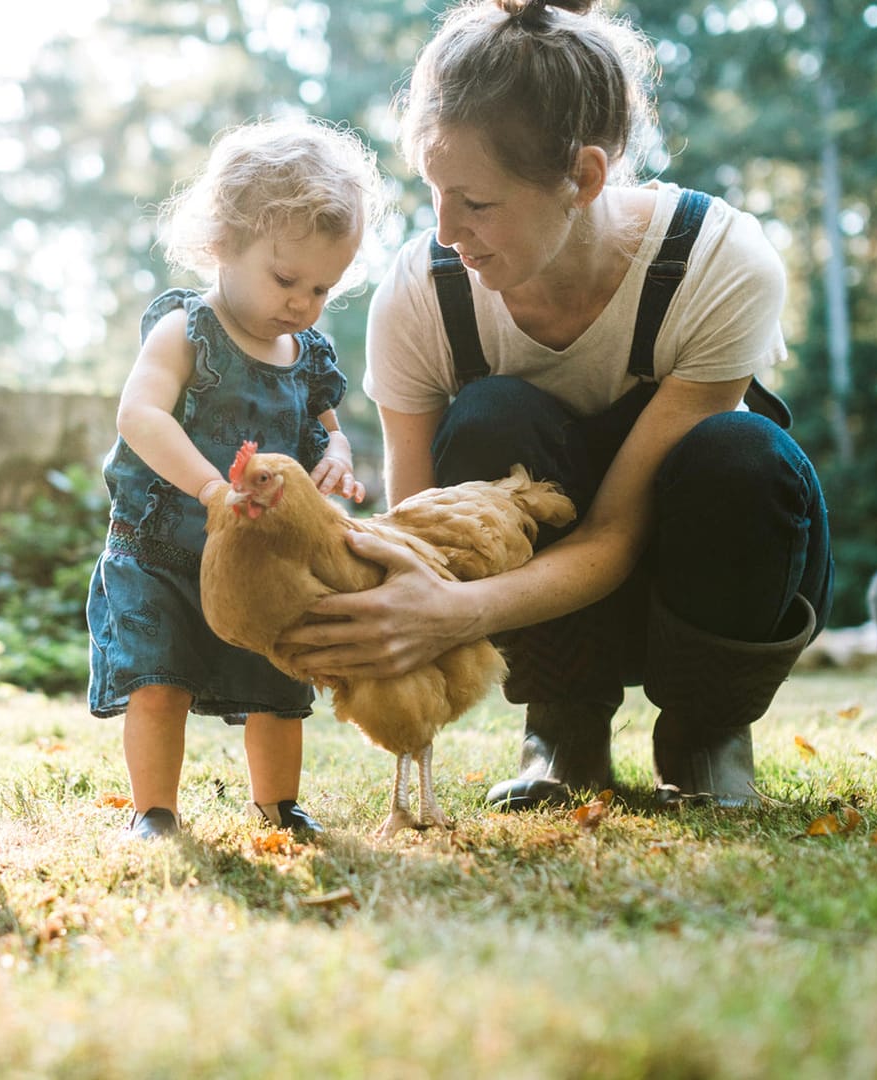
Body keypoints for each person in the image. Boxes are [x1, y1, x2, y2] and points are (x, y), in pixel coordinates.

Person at [279, 0, 833, 809]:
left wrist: (455, 615)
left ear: (584, 176)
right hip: (541, 611)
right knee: (491, 419)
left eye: (476, 202)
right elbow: (425, 526)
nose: (446, 230)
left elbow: (614, 535)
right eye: (434, 192)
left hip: (708, 577)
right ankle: (562, 732)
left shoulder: (719, 262)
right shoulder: (423, 295)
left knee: (743, 456)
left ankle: (706, 734)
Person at [87, 117, 383, 840]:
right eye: (287, 280)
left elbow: (325, 426)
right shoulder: (187, 330)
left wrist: (336, 459)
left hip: (257, 563)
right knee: (158, 682)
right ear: (222, 243)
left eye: (322, 287)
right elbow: (141, 414)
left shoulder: (307, 353)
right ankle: (154, 812)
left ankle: (279, 804)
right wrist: (210, 489)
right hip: (161, 547)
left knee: (277, 691)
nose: (303, 303)